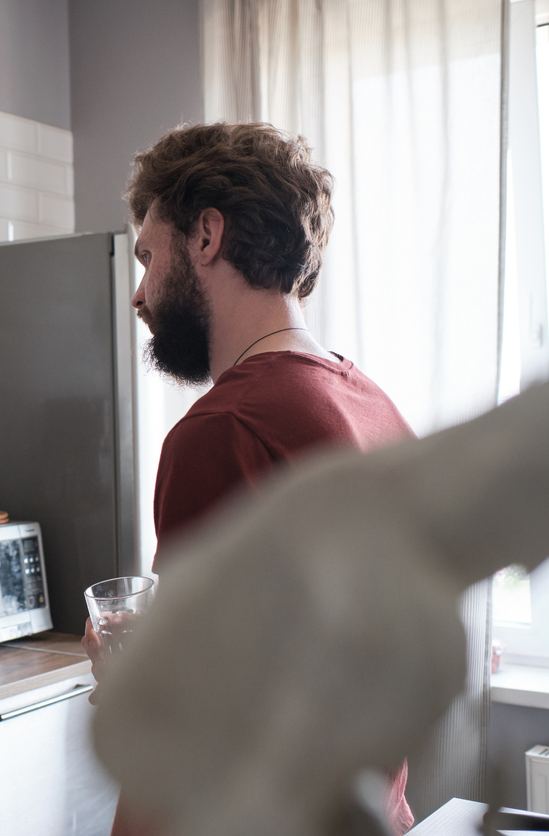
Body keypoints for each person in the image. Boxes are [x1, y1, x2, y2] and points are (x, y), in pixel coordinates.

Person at [82, 123, 415, 836]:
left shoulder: (222, 431)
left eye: (147, 256)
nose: (138, 296)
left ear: (205, 235)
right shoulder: (370, 404)